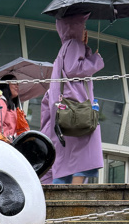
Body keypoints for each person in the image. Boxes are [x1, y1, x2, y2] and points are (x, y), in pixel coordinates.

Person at [40, 14, 104, 185]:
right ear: (75, 28)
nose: (85, 30)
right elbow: (74, 68)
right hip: (77, 105)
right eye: (82, 26)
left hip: (66, 107)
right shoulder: (74, 44)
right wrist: (96, 60)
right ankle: (75, 192)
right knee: (86, 149)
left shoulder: (65, 48)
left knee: (67, 155)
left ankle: (63, 188)